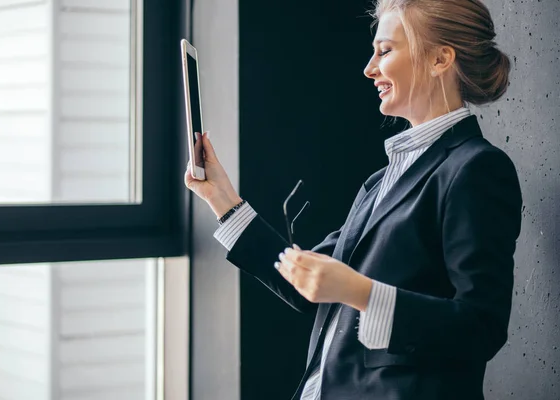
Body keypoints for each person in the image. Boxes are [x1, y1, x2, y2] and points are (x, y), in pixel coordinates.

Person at [184, 0, 523, 398]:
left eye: (385, 50)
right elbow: (303, 283)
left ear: (440, 59)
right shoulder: (381, 182)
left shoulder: (477, 169)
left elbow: (481, 327)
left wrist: (360, 293)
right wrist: (222, 199)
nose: (369, 68)